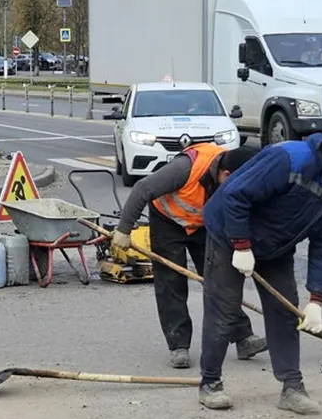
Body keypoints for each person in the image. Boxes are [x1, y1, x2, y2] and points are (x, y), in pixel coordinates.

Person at [197, 134, 322, 415]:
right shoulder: (291, 160)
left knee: (285, 312)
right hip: (228, 232)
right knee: (225, 310)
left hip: (275, 246)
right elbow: (236, 196)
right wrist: (241, 246)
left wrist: (316, 301)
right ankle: (210, 383)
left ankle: (292, 388)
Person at [111, 143, 268, 368]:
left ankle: (243, 338)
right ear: (226, 174)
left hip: (204, 225)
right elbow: (142, 189)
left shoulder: (233, 172)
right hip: (168, 221)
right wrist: (124, 229)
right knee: (171, 282)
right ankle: (179, 345)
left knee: (221, 280)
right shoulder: (186, 168)